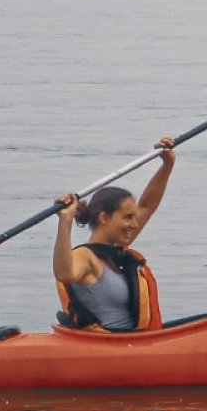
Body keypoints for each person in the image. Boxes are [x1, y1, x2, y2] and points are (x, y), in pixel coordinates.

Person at [52, 135, 176, 332]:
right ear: (104, 218)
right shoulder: (85, 257)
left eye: (134, 218)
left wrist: (167, 165)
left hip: (136, 342)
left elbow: (147, 206)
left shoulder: (114, 253)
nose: (134, 225)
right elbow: (65, 274)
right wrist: (65, 221)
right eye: (127, 217)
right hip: (110, 346)